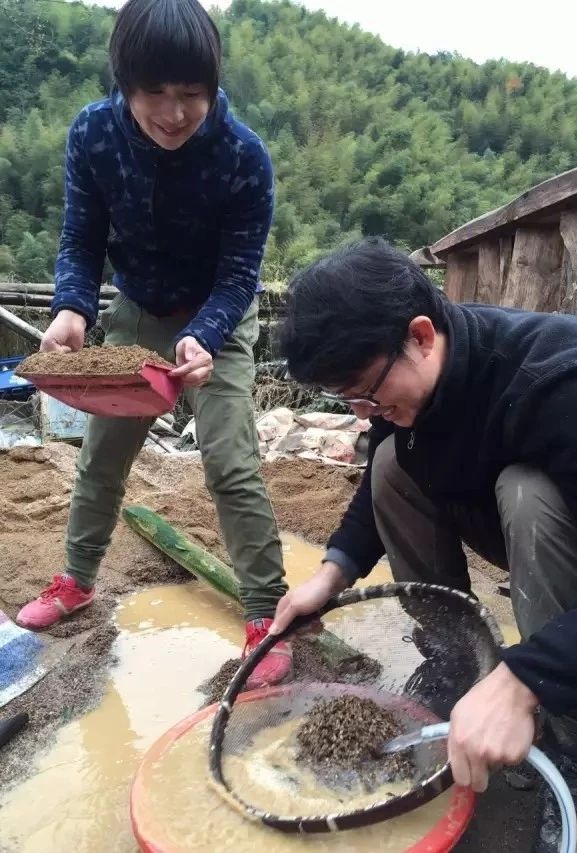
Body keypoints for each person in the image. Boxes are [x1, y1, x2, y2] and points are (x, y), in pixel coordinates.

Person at [271, 237, 577, 852]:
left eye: (367, 392)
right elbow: (377, 484)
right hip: (552, 530)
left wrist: (524, 680)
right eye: (349, 403)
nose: (364, 415)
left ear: (419, 334)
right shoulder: (414, 392)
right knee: (389, 462)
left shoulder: (562, 385)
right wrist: (332, 572)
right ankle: (455, 662)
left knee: (529, 492)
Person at [16, 0, 292, 688]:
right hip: (137, 311)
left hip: (218, 318)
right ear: (125, 84)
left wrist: (205, 332)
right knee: (103, 457)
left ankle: (267, 611)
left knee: (229, 460)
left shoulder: (243, 157)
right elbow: (81, 241)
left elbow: (239, 274)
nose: (174, 113)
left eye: (191, 94)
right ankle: (75, 581)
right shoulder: (93, 136)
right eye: (155, 94)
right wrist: (74, 308)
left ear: (212, 84)